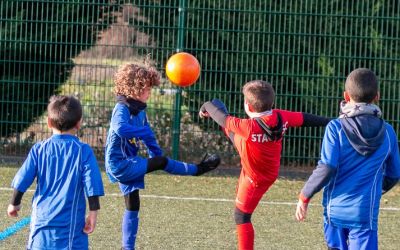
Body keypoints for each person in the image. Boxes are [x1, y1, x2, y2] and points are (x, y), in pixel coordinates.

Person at [199, 80, 330, 250]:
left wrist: (206, 106)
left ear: (248, 106)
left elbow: (222, 118)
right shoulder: (280, 117)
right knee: (230, 128)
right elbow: (305, 119)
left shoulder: (248, 126)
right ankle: (217, 104)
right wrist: (331, 121)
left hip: (256, 178)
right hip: (265, 166)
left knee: (241, 216)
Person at [105, 63, 221, 250]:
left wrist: (155, 153)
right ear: (135, 88)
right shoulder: (122, 109)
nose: (150, 92)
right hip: (119, 164)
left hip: (128, 162)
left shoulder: (140, 110)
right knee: (162, 162)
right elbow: (120, 129)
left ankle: (127, 248)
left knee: (133, 203)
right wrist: (159, 159)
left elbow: (148, 135)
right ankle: (198, 169)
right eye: (147, 88)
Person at [295, 68, 400, 250]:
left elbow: (327, 167)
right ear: (378, 96)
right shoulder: (388, 133)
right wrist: (375, 188)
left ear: (346, 95)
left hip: (334, 211)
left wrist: (305, 195)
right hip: (364, 214)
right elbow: (394, 173)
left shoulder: (335, 128)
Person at [7, 95, 104, 250]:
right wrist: (93, 213)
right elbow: (92, 184)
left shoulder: (39, 149)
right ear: (79, 123)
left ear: (48, 122)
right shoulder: (83, 151)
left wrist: (14, 203)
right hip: (70, 228)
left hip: (41, 224)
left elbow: (22, 178)